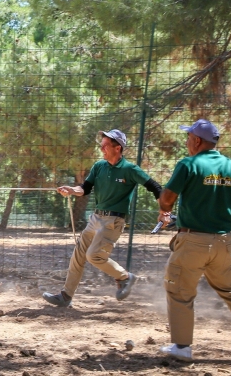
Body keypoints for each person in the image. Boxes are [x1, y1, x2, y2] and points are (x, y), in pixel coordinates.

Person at [157, 119, 231, 361]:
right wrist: (226, 209)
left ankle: (182, 347)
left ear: (197, 140)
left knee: (179, 289)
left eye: (188, 137)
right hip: (223, 243)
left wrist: (165, 207)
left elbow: (167, 198)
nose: (186, 142)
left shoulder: (188, 164)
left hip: (193, 241)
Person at [43, 129, 163, 308]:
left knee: (94, 255)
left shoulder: (130, 169)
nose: (102, 149)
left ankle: (125, 277)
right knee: (78, 255)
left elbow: (155, 187)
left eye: (105, 146)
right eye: (102, 146)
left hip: (113, 222)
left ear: (118, 148)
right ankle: (65, 296)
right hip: (95, 218)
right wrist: (71, 190)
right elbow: (85, 188)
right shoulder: (99, 166)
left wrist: (164, 210)